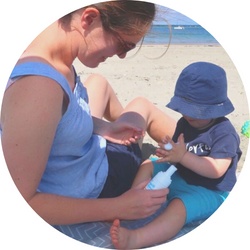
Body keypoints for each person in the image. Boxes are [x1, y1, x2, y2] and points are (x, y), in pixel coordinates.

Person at [0, 1, 176, 225]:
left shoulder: (45, 55)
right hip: (97, 185)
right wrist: (121, 206)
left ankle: (126, 132)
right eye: (124, 45)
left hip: (82, 158)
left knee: (98, 82)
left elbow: (50, 120)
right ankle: (194, 148)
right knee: (142, 105)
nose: (122, 56)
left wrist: (103, 127)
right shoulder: (39, 88)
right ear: (89, 19)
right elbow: (21, 201)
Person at [110, 62, 242, 249]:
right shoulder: (185, 122)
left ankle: (136, 238)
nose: (188, 115)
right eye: (184, 109)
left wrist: (183, 156)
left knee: (178, 207)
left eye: (195, 111)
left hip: (209, 191)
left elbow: (217, 170)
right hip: (180, 175)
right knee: (149, 163)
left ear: (214, 109)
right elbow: (177, 150)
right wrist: (167, 150)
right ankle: (133, 200)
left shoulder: (224, 132)